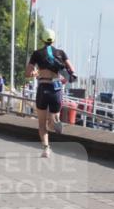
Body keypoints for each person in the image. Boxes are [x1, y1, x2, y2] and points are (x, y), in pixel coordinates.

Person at [26, 28, 77, 157]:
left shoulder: (37, 54)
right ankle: (55, 122)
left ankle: (46, 149)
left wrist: (35, 73)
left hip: (43, 88)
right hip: (56, 88)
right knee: (53, 119)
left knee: (42, 123)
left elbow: (27, 73)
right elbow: (72, 71)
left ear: (42, 39)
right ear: (53, 40)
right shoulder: (61, 53)